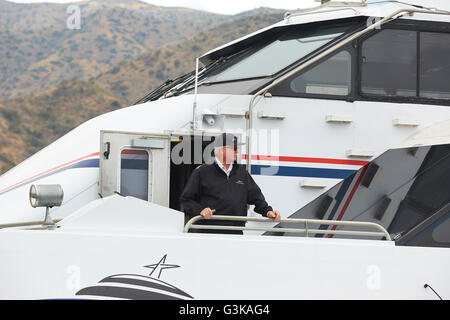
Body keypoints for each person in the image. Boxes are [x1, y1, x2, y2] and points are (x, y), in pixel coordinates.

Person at [180, 133, 281, 235]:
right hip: (208, 231)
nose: (237, 151)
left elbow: (256, 197)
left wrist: (268, 212)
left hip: (236, 231)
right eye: (234, 148)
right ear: (222, 150)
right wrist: (200, 210)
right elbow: (186, 200)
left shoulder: (242, 172)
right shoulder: (202, 172)